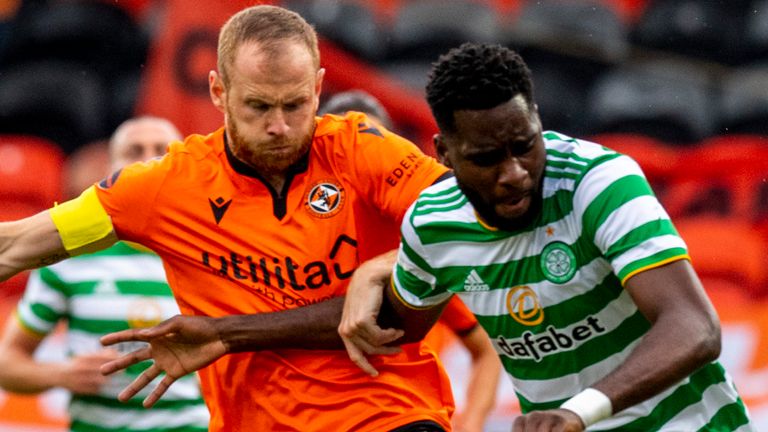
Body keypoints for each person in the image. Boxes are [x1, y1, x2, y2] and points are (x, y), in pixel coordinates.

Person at [0, 5, 455, 431]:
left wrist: (384, 263)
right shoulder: (166, 185)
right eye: (258, 106)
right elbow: (14, 246)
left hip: (392, 413)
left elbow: (464, 215)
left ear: (318, 87)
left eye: (295, 104)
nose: (279, 126)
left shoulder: (361, 148)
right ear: (218, 90)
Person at [338, 43, 755, 431]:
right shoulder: (431, 225)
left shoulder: (599, 182)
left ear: (537, 119)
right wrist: (371, 269)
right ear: (444, 153)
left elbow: (695, 328)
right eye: (486, 159)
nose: (514, 173)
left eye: (524, 145)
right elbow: (391, 330)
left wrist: (577, 412)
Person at [0, 116, 210, 432]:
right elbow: (7, 365)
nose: (149, 159)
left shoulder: (213, 255)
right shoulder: (69, 259)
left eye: (163, 150)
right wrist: (61, 374)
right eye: (135, 150)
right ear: (111, 170)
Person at [322, 89, 501, 432]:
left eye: (374, 147)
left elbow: (486, 347)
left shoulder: (419, 241)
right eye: (350, 152)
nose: (365, 162)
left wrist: (473, 422)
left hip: (406, 412)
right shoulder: (310, 247)